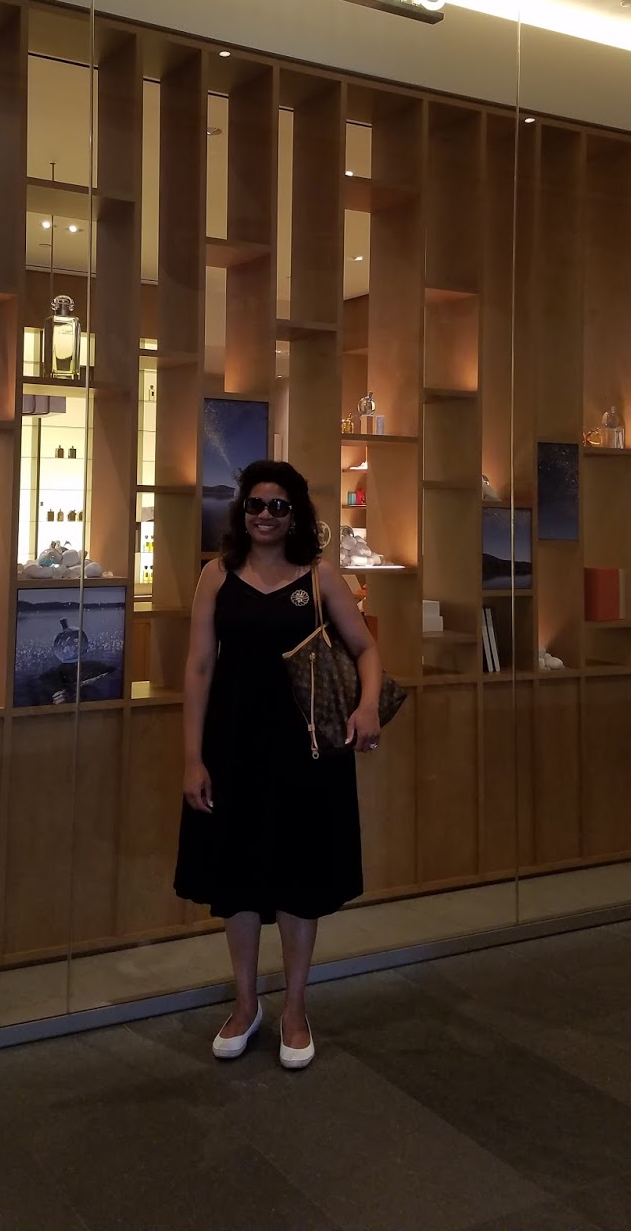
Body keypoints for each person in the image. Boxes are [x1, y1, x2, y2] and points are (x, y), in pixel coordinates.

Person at [174, 459, 384, 1070]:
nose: (265, 515)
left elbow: (366, 647)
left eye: (278, 505)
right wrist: (192, 758)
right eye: (255, 504)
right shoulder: (216, 575)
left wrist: (368, 706)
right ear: (242, 511)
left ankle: (295, 1008)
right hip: (232, 746)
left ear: (296, 515)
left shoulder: (320, 577)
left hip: (306, 749)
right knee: (236, 877)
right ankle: (245, 1005)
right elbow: (199, 668)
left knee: (299, 877)